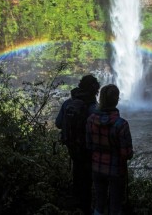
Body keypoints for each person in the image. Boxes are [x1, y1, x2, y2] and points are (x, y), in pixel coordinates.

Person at [55, 74, 100, 215]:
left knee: (77, 170)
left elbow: (58, 124)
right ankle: (86, 207)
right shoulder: (94, 108)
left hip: (72, 145)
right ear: (95, 90)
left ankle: (76, 202)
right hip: (88, 149)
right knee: (87, 177)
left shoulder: (68, 103)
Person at [86, 84, 133, 215]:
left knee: (99, 203)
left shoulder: (90, 120)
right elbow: (126, 153)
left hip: (97, 167)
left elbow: (88, 146)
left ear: (100, 99)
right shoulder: (121, 124)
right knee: (115, 205)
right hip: (116, 170)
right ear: (117, 99)